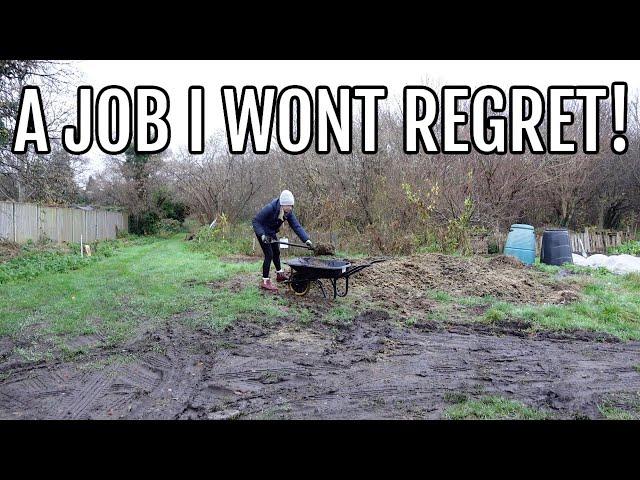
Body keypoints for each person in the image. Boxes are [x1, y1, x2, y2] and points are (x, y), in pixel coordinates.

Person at [252, 190, 313, 291]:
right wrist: (262, 235)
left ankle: (279, 274)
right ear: (282, 204)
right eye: (288, 205)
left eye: (291, 205)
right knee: (269, 255)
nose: (290, 207)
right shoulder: (270, 208)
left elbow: (296, 226)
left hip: (271, 232)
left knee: (276, 252)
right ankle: (265, 281)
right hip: (262, 232)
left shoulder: (288, 213)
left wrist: (306, 239)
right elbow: (256, 221)